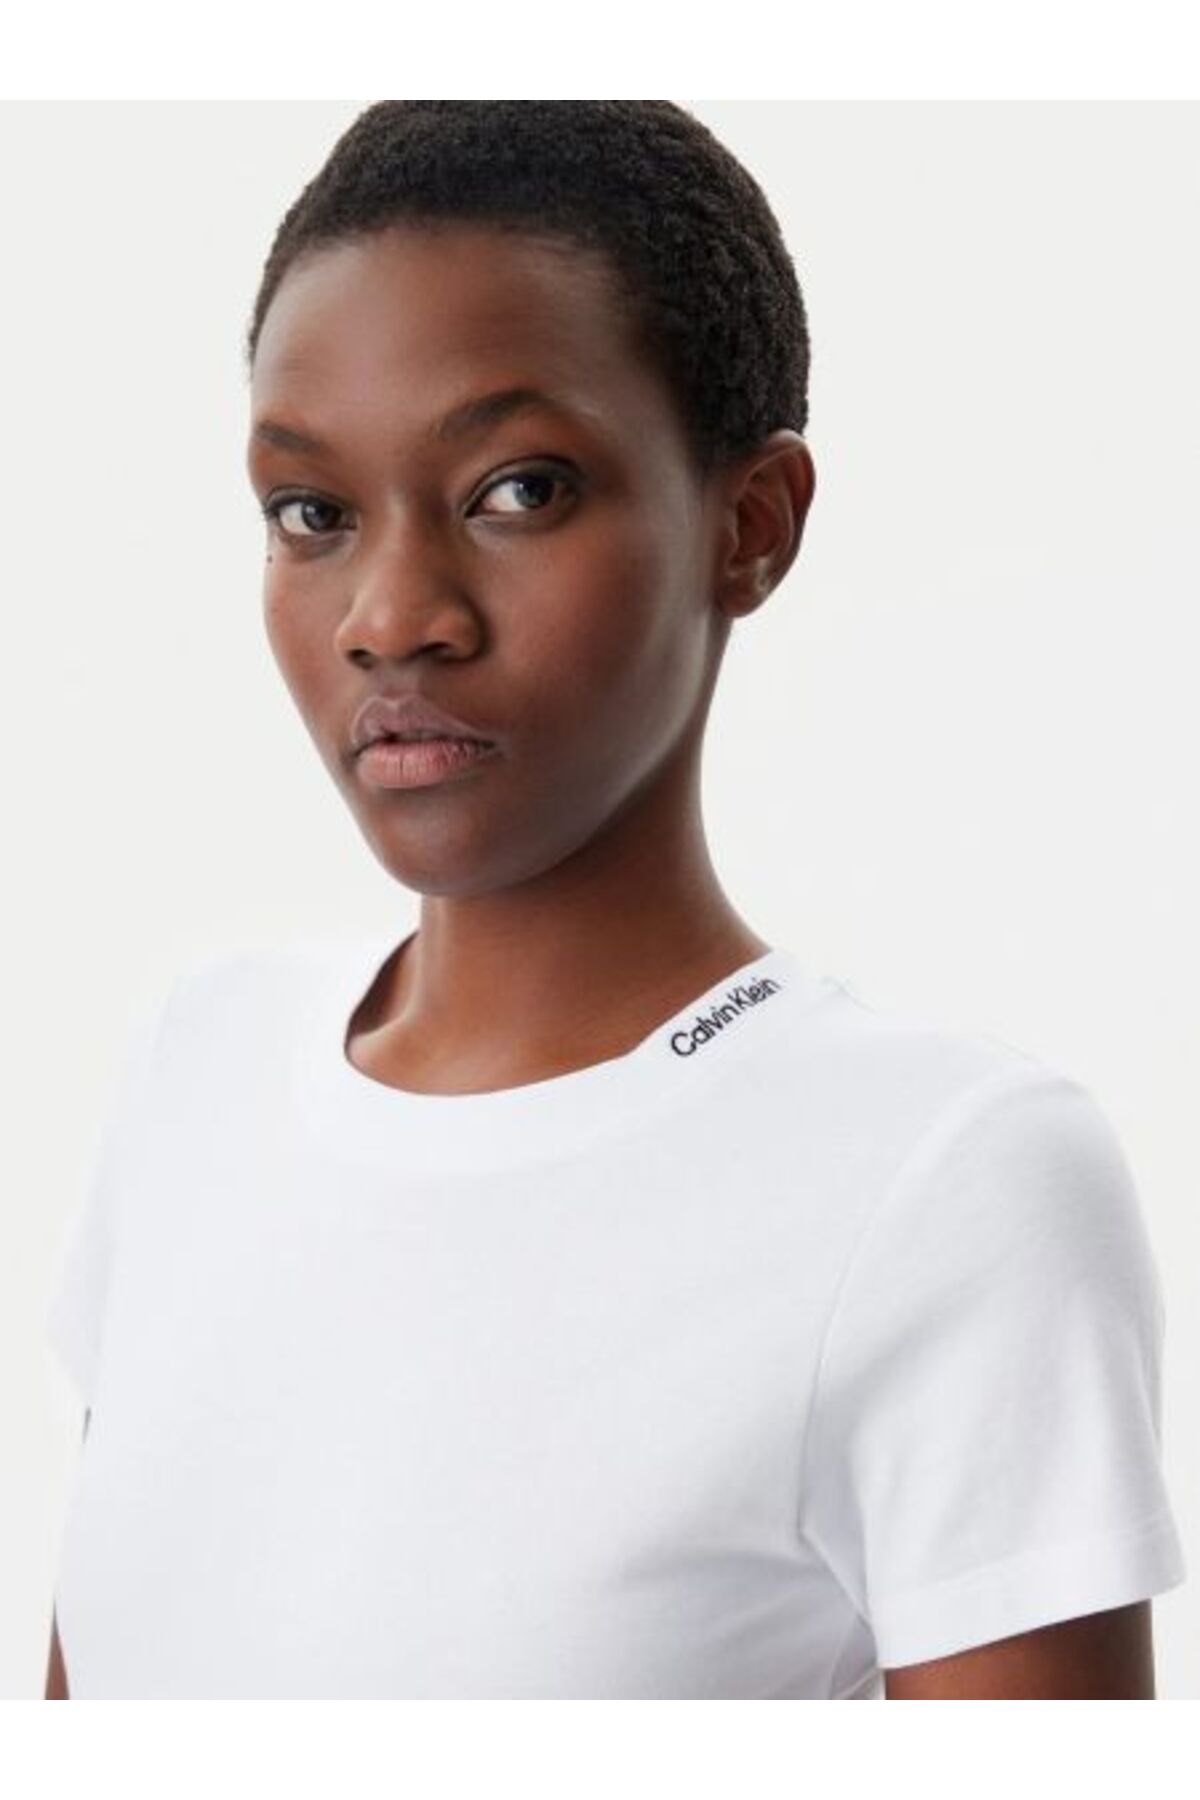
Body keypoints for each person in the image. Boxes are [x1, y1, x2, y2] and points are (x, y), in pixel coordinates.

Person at [44, 100, 1185, 1700]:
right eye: (314, 513)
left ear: (751, 525)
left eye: (518, 489)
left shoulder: (944, 1179)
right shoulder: (201, 1069)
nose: (392, 616)